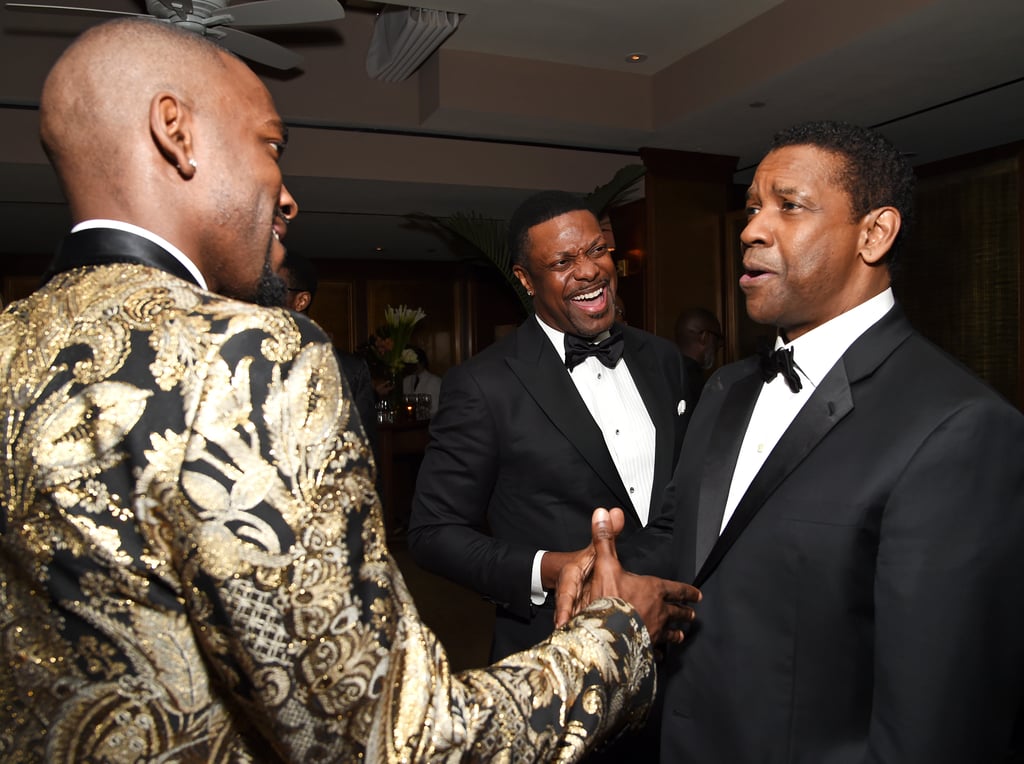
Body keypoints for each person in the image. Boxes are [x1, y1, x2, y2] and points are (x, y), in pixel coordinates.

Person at [0, 18, 702, 762]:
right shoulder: (250, 353)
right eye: (271, 144)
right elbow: (394, 736)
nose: (289, 196)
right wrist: (618, 633)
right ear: (174, 130)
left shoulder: (14, 339)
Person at [657, 120, 1024, 762]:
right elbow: (709, 560)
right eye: (751, 208)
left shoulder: (961, 427)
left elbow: (937, 722)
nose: (750, 230)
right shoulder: (724, 390)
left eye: (788, 206)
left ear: (874, 234)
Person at [408, 190, 693, 758]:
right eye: (563, 262)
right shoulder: (484, 385)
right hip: (558, 662)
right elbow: (431, 532)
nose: (590, 270)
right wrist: (551, 567)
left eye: (598, 251)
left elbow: (684, 495)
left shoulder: (664, 361)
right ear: (525, 279)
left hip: (677, 644)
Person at [278, 250, 380, 462]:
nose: (263, 297)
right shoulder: (241, 355)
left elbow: (364, 453)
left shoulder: (348, 368)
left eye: (275, 288)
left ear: (301, 300)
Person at [674, 306, 723, 406]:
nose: (720, 345)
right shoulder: (701, 387)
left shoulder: (661, 374)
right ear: (704, 337)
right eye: (718, 338)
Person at [401, 345, 442, 416]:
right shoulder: (406, 381)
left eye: (413, 362)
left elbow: (436, 410)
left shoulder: (435, 382)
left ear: (422, 363)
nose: (410, 366)